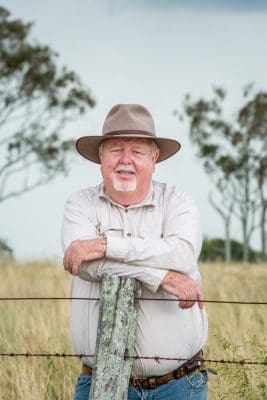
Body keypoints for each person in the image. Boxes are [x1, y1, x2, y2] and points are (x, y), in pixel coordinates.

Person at [61, 104, 208, 400]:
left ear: (154, 158)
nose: (125, 160)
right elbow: (83, 266)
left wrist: (106, 246)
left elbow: (182, 256)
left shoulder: (178, 203)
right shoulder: (80, 204)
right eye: (116, 149)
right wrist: (161, 275)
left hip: (178, 386)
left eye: (137, 152)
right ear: (101, 156)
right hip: (98, 383)